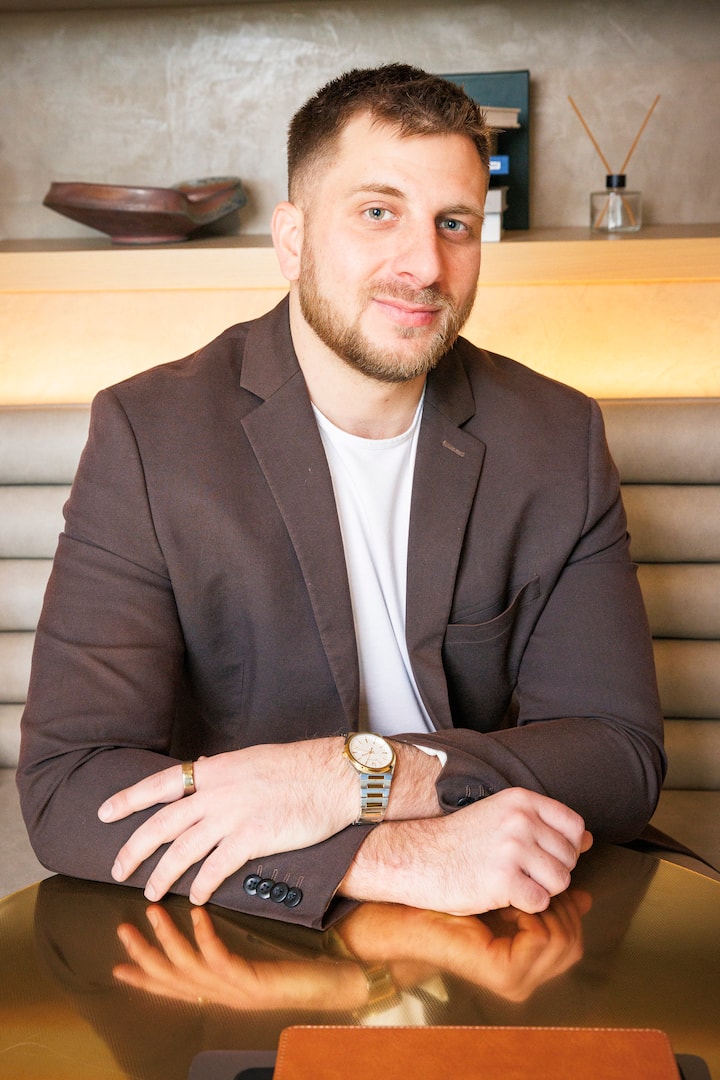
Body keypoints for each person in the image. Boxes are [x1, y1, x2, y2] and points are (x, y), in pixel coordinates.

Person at [17, 63, 665, 931]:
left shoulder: (556, 436)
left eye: (455, 223)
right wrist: (390, 858)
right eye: (377, 212)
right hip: (254, 925)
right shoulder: (151, 435)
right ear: (292, 240)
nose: (425, 264)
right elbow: (70, 783)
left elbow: (618, 756)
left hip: (509, 898)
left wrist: (349, 775)